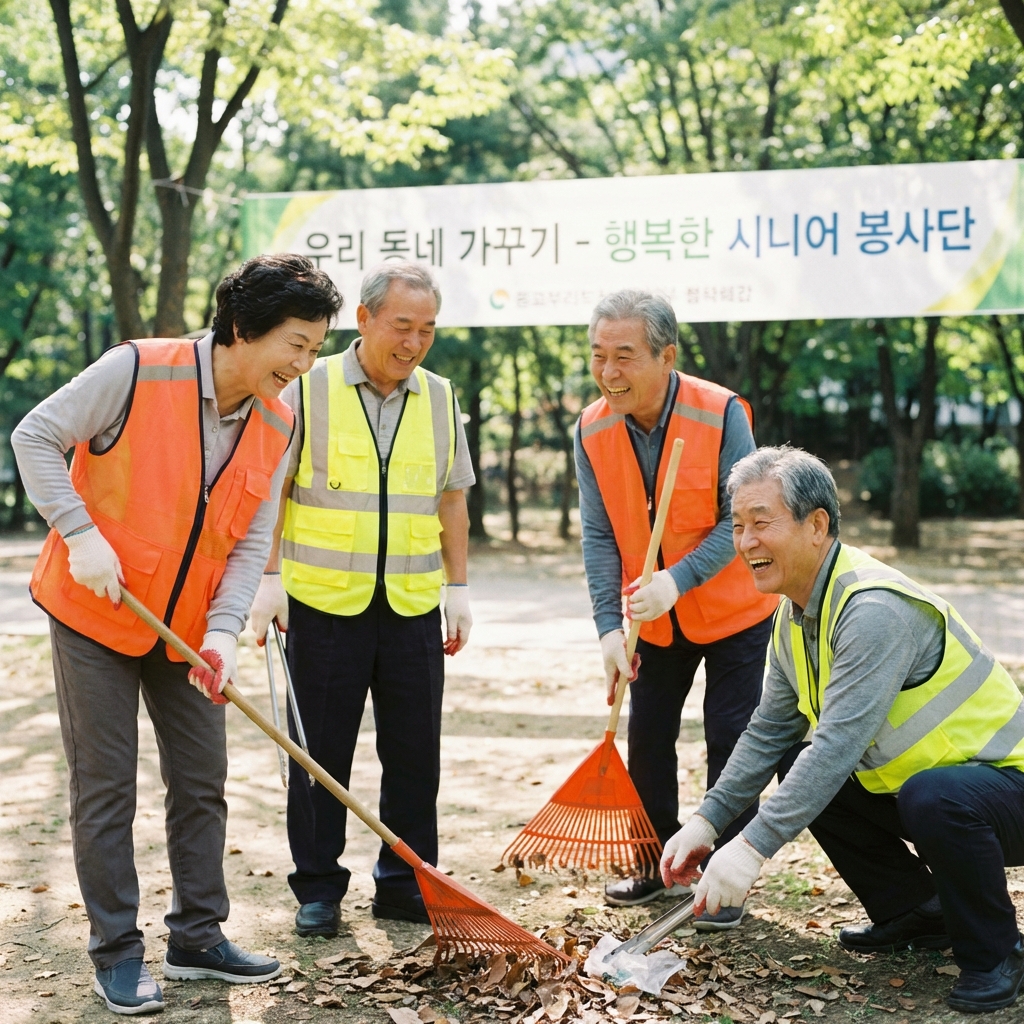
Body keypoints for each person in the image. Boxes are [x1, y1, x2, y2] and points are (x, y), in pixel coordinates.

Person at [12, 254, 342, 1016]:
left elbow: (252, 541)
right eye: (295, 343)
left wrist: (225, 632)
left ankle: (198, 936)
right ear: (241, 327)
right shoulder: (136, 370)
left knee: (202, 780)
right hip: (95, 609)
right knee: (107, 785)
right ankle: (117, 954)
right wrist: (79, 531)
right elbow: (36, 437)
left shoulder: (278, 419)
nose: (304, 363)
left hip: (189, 628)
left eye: (316, 348)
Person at [662, 446, 1024, 1013]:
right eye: (737, 526)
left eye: (762, 523)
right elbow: (768, 730)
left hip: (1004, 790)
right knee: (795, 761)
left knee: (926, 793)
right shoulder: (794, 612)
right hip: (937, 794)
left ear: (817, 525)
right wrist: (708, 822)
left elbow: (837, 747)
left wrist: (751, 850)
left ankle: (996, 952)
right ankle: (915, 910)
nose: (746, 542)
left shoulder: (872, 609)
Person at [250, 261, 475, 938]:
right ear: (366, 320)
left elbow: (453, 497)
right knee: (319, 758)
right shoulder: (306, 389)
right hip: (321, 606)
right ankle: (318, 888)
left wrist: (457, 587)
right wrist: (267, 579)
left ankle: (406, 881)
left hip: (411, 607)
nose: (413, 342)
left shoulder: (438, 397)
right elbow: (270, 490)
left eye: (427, 330)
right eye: (402, 326)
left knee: (415, 755)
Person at [575, 289, 778, 925]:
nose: (609, 372)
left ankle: (723, 878)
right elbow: (600, 533)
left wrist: (679, 578)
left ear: (666, 355)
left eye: (625, 356)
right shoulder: (591, 427)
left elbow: (739, 520)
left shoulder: (721, 413)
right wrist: (610, 626)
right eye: (598, 356)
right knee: (648, 739)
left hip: (733, 611)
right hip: (651, 618)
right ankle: (655, 862)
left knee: (731, 737)